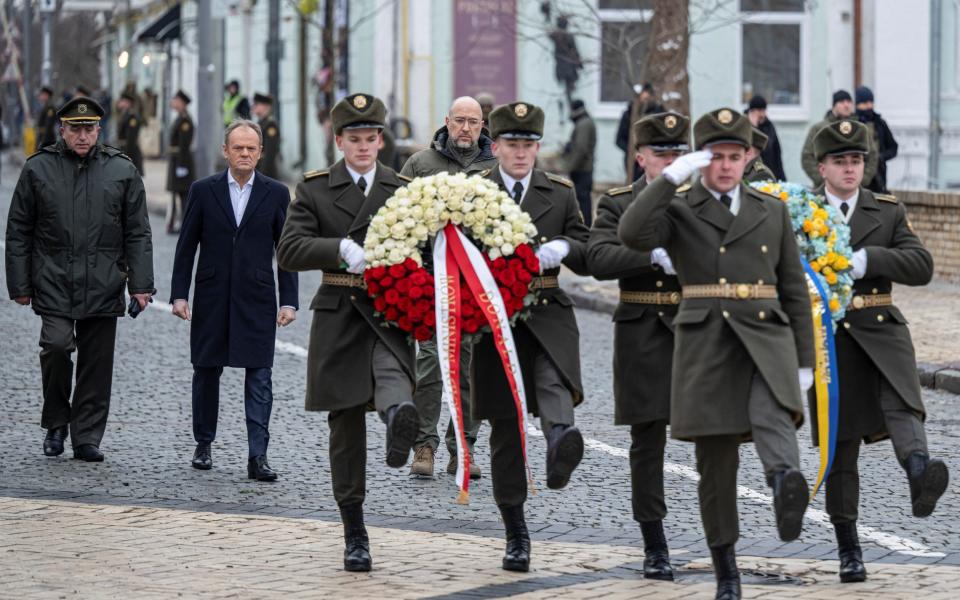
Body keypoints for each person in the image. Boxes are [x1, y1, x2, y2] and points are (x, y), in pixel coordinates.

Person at [618, 108, 815, 600]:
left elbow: (793, 287)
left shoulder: (771, 210)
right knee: (716, 462)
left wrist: (806, 359)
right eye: (716, 157)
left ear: (750, 157)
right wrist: (670, 181)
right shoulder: (681, 208)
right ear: (703, 160)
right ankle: (727, 569)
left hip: (766, 336)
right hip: (706, 344)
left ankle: (784, 483)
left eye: (735, 156)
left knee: (774, 413)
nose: (726, 166)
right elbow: (632, 234)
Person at [277, 93, 420, 572]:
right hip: (339, 312)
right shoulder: (316, 189)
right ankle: (354, 531)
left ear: (381, 140)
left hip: (387, 308)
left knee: (394, 376)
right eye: (354, 139)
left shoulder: (401, 188)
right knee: (344, 427)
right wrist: (337, 247)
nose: (363, 146)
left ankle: (400, 421)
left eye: (370, 138)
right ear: (339, 141)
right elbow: (289, 251)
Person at [811, 119, 948, 584]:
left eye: (857, 161)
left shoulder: (886, 211)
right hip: (829, 338)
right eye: (841, 162)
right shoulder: (800, 213)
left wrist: (870, 259)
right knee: (840, 447)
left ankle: (920, 473)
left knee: (903, 403)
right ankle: (848, 548)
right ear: (822, 167)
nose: (851, 170)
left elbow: (921, 265)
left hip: (881, 327)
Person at [473, 101, 590, 573]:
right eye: (512, 145)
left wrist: (567, 246)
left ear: (538, 148)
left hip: (546, 309)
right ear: (496, 146)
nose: (521, 154)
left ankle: (562, 441)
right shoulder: (473, 191)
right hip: (495, 317)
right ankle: (515, 533)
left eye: (529, 145)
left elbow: (587, 250)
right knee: (504, 428)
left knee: (554, 377)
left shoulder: (559, 193)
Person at [5, 97, 154, 462]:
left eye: (89, 129)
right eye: (75, 129)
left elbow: (138, 232)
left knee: (96, 362)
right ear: (63, 130)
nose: (82, 135)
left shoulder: (121, 170)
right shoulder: (38, 169)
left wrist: (141, 285)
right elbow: (18, 230)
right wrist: (20, 286)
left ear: (99, 130)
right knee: (56, 347)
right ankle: (56, 421)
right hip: (52, 279)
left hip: (104, 281)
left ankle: (86, 435)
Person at [586, 111, 688, 582]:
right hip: (642, 329)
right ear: (641, 157)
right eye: (661, 153)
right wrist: (650, 255)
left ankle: (721, 538)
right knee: (647, 440)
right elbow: (598, 258)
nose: (669, 161)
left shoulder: (701, 202)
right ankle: (654, 543)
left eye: (677, 153)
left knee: (717, 436)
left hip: (695, 328)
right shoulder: (619, 202)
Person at [170, 119, 298, 481]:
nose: (244, 154)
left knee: (260, 377)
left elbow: (285, 250)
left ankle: (258, 456)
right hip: (211, 297)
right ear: (225, 151)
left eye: (251, 148)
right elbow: (186, 247)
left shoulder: (275, 193)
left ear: (260, 152)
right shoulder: (203, 190)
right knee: (206, 371)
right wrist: (180, 294)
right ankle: (203, 444)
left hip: (257, 299)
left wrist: (289, 300)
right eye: (238, 148)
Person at [401, 96, 497, 480]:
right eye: (460, 120)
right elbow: (397, 216)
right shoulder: (421, 164)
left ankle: (464, 446)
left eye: (473, 122)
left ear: (482, 125)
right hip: (430, 280)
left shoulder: (495, 165)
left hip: (477, 284)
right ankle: (424, 444)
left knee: (471, 369)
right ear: (446, 121)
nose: (466, 128)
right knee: (429, 367)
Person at [801, 90, 877, 187]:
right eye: (841, 102)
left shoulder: (860, 129)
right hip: (825, 188)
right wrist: (824, 180)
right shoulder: (820, 129)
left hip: (856, 188)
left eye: (849, 102)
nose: (846, 105)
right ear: (834, 106)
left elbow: (873, 155)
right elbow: (807, 157)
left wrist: (863, 179)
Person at [616, 83, 665, 182]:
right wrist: (632, 152)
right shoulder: (629, 115)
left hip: (654, 160)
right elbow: (619, 140)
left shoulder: (659, 114)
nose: (644, 101)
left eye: (647, 98)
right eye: (643, 98)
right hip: (633, 162)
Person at [855, 86, 899, 194]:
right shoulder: (853, 124)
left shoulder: (880, 123)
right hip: (859, 175)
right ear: (857, 105)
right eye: (865, 103)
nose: (869, 106)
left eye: (871, 102)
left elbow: (893, 147)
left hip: (879, 175)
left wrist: (881, 158)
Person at [563, 99, 596, 226]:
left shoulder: (584, 124)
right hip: (583, 168)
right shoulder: (584, 122)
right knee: (583, 200)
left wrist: (571, 167)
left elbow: (581, 149)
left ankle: (584, 227)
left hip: (582, 169)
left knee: (583, 201)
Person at [166, 90, 196, 234]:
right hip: (176, 161)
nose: (173, 102)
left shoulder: (185, 120)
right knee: (177, 194)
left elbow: (184, 145)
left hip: (182, 162)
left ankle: (185, 224)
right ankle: (178, 223)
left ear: (182, 103)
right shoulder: (179, 118)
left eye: (175, 100)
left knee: (183, 195)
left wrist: (182, 166)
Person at [745, 95, 785, 180]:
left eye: (764, 110)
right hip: (751, 174)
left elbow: (776, 152)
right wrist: (753, 126)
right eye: (759, 111)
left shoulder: (769, 126)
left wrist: (782, 178)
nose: (762, 114)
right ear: (752, 111)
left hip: (769, 173)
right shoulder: (744, 125)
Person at [252, 92, 281, 179]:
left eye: (257, 104)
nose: (254, 107)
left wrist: (262, 175)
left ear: (266, 106)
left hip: (266, 173)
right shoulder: (261, 123)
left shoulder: (270, 125)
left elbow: (270, 153)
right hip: (259, 169)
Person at [116, 92, 144, 175]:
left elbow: (131, 138)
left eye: (122, 101)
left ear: (128, 103)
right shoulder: (125, 114)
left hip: (129, 151)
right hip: (124, 149)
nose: (119, 102)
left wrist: (128, 156)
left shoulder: (132, 117)